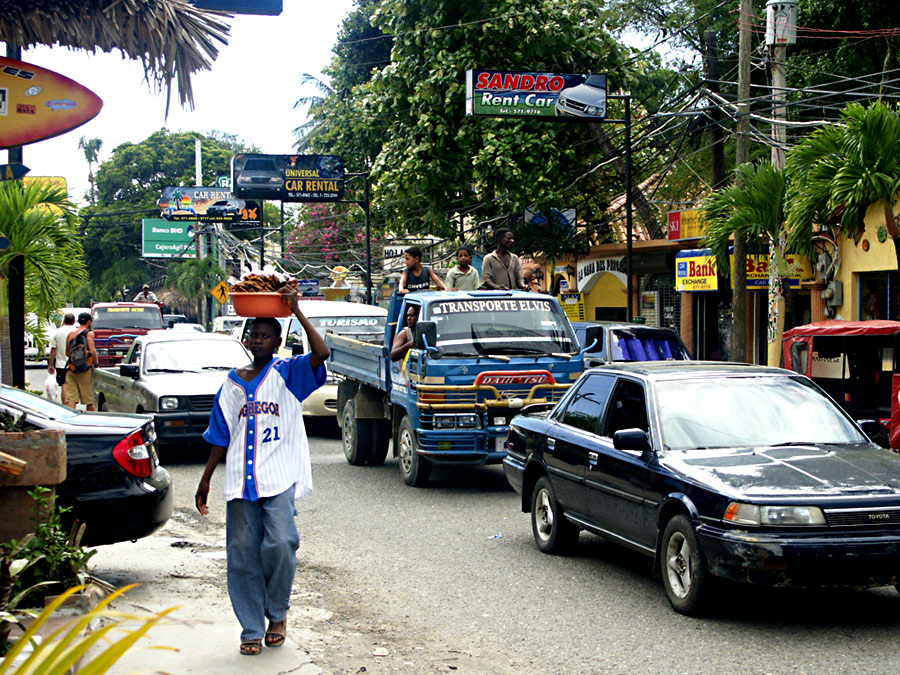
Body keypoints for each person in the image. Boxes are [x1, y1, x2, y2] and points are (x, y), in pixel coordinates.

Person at [195, 286, 329, 657]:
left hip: (279, 476)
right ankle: (251, 627)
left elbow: (322, 353)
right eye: (254, 335)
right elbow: (221, 434)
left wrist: (297, 311)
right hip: (239, 479)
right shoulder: (232, 383)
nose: (259, 340)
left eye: (266, 335)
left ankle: (278, 613)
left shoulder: (289, 373)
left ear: (277, 340)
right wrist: (206, 480)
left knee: (283, 542)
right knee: (242, 554)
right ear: (246, 338)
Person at [65, 313, 98, 410]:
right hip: (85, 369)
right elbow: (92, 351)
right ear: (89, 321)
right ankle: (89, 421)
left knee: (71, 398)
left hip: (72, 368)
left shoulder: (71, 334)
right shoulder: (89, 333)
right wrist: (96, 364)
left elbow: (67, 353)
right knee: (89, 399)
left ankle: (69, 420)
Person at [48, 313, 76, 402]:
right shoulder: (76, 331)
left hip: (61, 364)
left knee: (64, 385)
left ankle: (65, 405)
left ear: (64, 321)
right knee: (73, 386)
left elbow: (53, 350)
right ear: (74, 321)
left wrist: (51, 365)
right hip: (75, 363)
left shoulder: (57, 332)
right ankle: (72, 405)